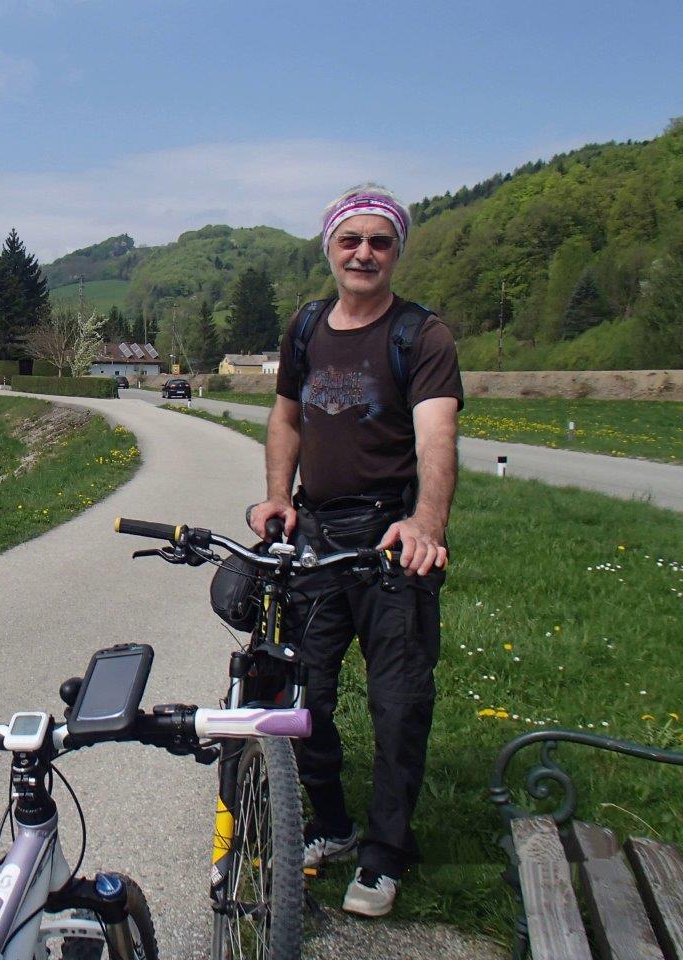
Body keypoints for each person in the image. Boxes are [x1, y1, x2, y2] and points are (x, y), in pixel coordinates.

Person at [246, 184, 462, 917]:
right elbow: (286, 419)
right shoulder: (305, 327)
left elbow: (437, 439)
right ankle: (332, 825)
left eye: (379, 242)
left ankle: (384, 853)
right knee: (301, 692)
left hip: (392, 536)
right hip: (316, 532)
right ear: (330, 248)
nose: (364, 253)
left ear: (396, 252)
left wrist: (427, 524)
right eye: (351, 241)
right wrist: (279, 495)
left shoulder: (421, 336)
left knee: (398, 703)